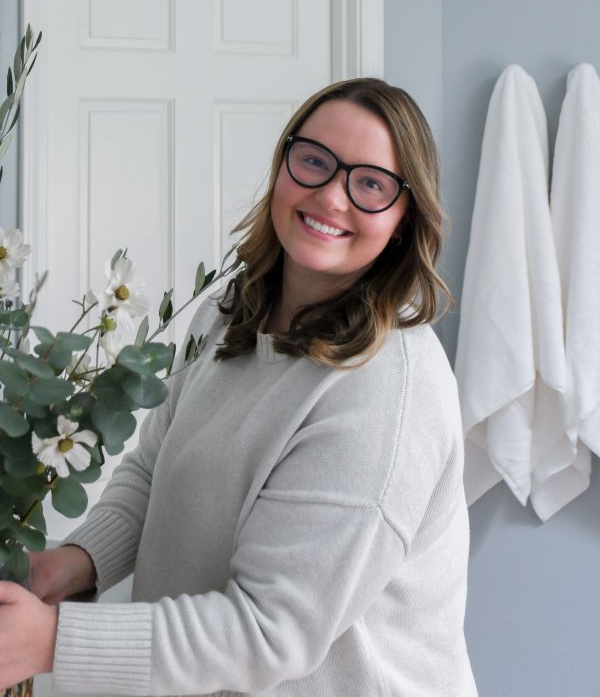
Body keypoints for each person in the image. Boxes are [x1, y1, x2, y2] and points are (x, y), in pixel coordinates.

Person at [0, 78, 478, 695]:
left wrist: (53, 640)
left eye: (370, 183)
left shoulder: (384, 390)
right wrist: (71, 564)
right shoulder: (230, 314)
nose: (332, 196)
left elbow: (271, 630)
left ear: (404, 213)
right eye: (313, 161)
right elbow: (153, 469)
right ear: (284, 165)